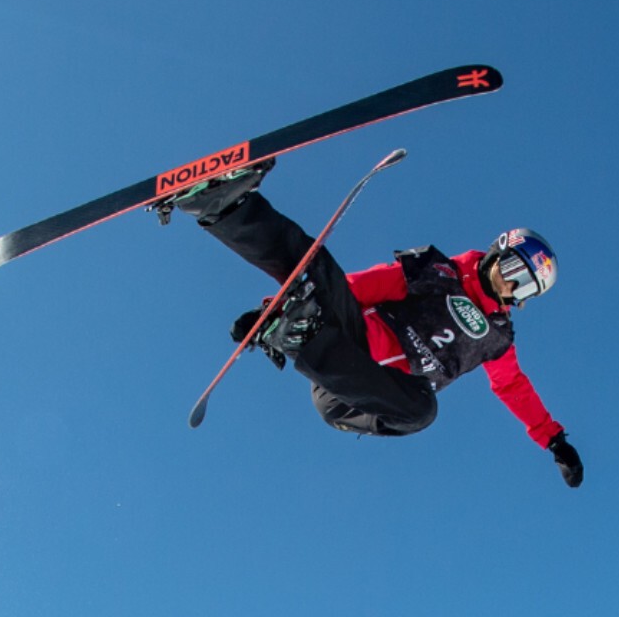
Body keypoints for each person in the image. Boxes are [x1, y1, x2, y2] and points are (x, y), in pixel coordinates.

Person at [168, 158, 584, 487]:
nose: (512, 287)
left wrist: (553, 439)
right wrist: (277, 305)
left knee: (423, 410)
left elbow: (512, 386)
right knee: (319, 267)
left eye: (525, 289)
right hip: (350, 338)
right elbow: (356, 287)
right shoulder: (438, 272)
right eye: (514, 270)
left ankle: (298, 335)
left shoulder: (497, 338)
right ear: (498, 251)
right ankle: (224, 206)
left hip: (360, 397)